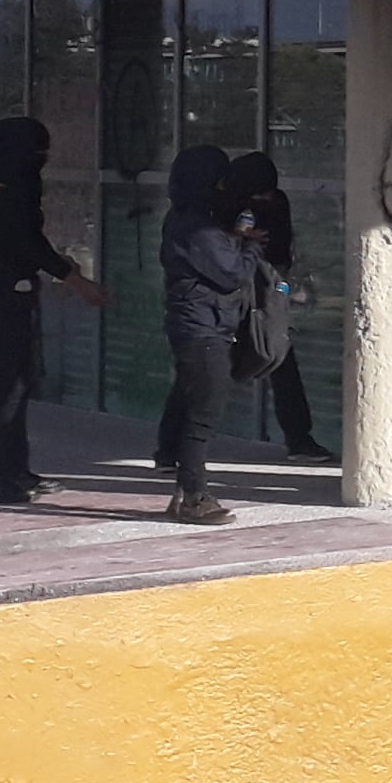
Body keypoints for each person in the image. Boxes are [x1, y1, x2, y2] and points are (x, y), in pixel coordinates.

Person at [0, 116, 106, 506]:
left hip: (0, 296)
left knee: (17, 383)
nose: (42, 159)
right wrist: (75, 280)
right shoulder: (1, 194)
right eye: (37, 151)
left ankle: (14, 470)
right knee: (1, 387)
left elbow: (24, 242)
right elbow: (25, 245)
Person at [153, 145, 255, 526]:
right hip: (204, 329)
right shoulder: (198, 227)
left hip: (197, 324)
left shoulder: (185, 218)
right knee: (203, 414)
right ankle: (194, 496)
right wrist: (247, 244)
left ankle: (183, 491)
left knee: (191, 400)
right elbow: (230, 274)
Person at [218, 151, 331, 465]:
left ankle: (299, 438)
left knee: (278, 358)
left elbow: (276, 247)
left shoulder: (269, 205)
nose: (265, 198)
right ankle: (177, 442)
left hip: (264, 296)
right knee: (211, 365)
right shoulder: (227, 206)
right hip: (235, 297)